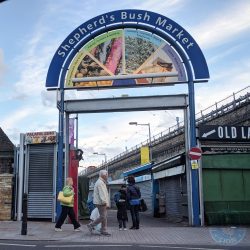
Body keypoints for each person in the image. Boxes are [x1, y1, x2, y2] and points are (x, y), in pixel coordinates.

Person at [87, 170, 111, 236]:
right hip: (101, 203)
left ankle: (103, 230)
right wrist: (105, 202)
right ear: (103, 175)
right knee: (103, 216)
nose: (107, 176)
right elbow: (102, 193)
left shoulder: (101, 182)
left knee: (104, 216)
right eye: (106, 174)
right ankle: (91, 225)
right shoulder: (100, 183)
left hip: (100, 202)